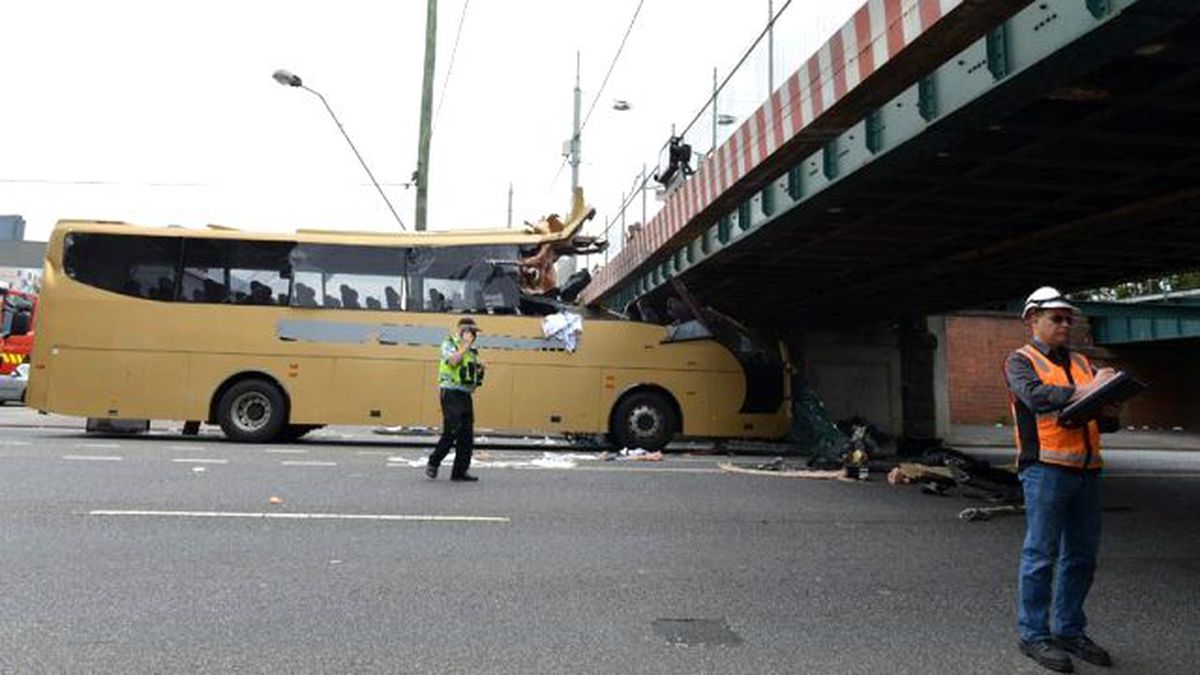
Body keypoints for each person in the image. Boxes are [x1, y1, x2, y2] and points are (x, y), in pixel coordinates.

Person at [1006, 287, 1120, 673]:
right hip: (1046, 469)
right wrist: (1088, 390)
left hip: (1087, 470)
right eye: (1056, 318)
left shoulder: (1083, 363)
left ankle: (1070, 630)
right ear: (1032, 319)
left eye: (1069, 318)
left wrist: (1109, 404)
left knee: (1082, 557)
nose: (1065, 324)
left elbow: (1106, 423)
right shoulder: (1021, 361)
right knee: (1041, 556)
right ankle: (1034, 634)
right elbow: (1037, 397)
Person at [426, 317, 485, 482]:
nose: (474, 336)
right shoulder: (449, 343)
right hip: (450, 392)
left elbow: (471, 381)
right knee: (452, 430)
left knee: (466, 435)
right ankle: (434, 461)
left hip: (465, 394)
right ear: (463, 332)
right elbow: (452, 361)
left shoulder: (472, 351)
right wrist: (465, 345)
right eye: (472, 333)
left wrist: (479, 371)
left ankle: (459, 472)